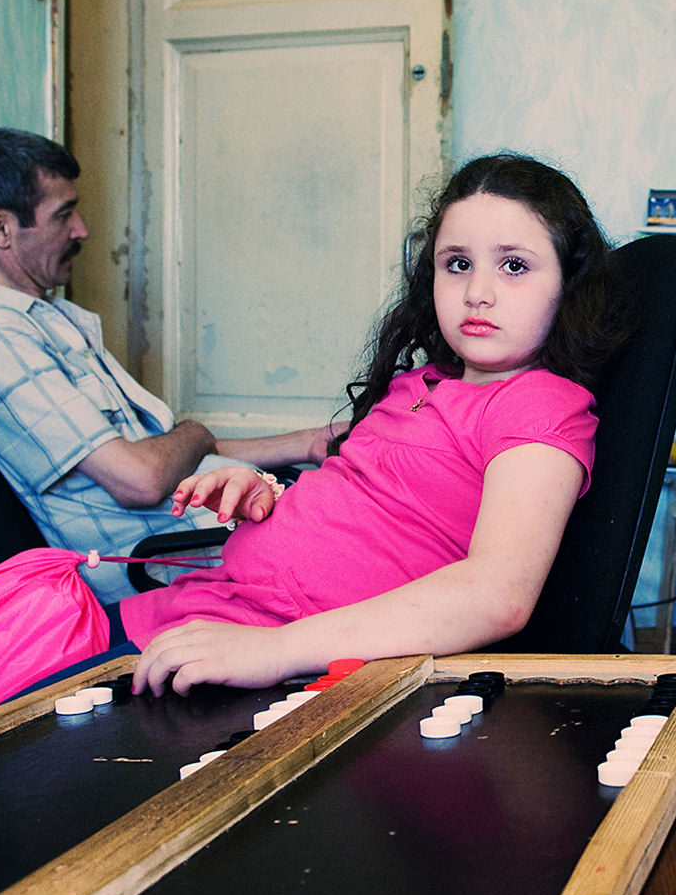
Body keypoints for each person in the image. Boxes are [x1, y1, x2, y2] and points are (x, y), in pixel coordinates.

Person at [114, 151, 636, 696]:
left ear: (569, 284)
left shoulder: (537, 404)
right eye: (458, 264)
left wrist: (276, 650)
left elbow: (496, 594)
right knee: (53, 629)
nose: (477, 292)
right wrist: (267, 494)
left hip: (273, 648)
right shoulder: (422, 382)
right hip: (205, 607)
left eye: (514, 266)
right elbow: (368, 495)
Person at [0, 129, 250, 596]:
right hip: (175, 572)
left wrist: (305, 443)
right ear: (0, 230)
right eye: (63, 215)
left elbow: (168, 453)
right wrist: (194, 432)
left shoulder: (47, 319)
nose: (81, 230)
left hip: (210, 540)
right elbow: (144, 478)